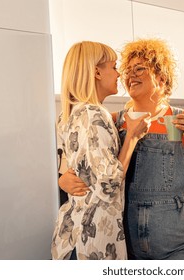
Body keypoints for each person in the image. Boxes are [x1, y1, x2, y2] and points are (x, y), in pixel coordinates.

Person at [59, 38, 184, 260]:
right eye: (126, 70)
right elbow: (73, 165)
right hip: (128, 244)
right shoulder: (112, 122)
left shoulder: (183, 119)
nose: (129, 75)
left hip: (181, 243)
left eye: (140, 69)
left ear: (161, 78)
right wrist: (63, 180)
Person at [51, 41, 150, 260]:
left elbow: (77, 170)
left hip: (73, 238)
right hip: (93, 242)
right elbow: (109, 185)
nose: (118, 74)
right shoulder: (94, 114)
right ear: (96, 71)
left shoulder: (69, 115)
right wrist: (132, 137)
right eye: (114, 67)